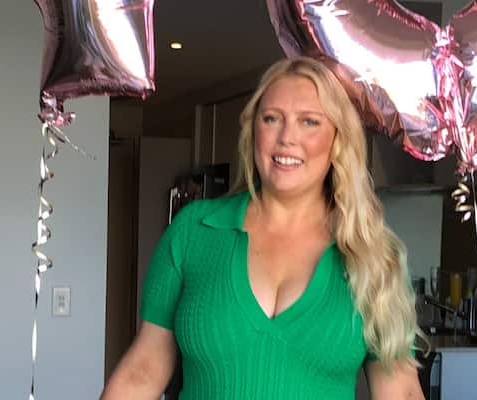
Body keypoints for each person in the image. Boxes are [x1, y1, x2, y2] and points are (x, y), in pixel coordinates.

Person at [102, 57, 426, 399]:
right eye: (272, 119)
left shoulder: (374, 254)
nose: (287, 138)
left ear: (337, 140)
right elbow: (143, 371)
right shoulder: (193, 231)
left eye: (309, 122)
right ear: (253, 130)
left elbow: (400, 390)